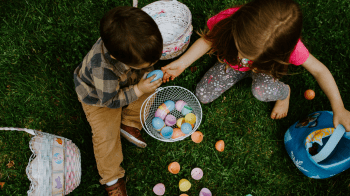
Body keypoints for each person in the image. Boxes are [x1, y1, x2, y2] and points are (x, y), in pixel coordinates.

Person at [161, 0, 350, 131]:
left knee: (261, 91)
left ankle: (285, 93)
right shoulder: (230, 18)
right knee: (202, 95)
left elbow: (320, 70)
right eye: (240, 46)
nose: (241, 56)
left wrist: (339, 107)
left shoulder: (292, 49)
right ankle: (241, 73)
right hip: (231, 67)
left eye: (249, 54)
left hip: (265, 72)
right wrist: (182, 63)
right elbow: (209, 40)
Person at [73, 6, 163, 196]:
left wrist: (146, 79)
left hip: (126, 82)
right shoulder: (102, 69)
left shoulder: (128, 46)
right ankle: (112, 178)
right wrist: (138, 89)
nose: (152, 65)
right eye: (147, 63)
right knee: (105, 136)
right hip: (100, 99)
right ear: (117, 57)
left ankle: (128, 123)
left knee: (151, 89)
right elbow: (111, 101)